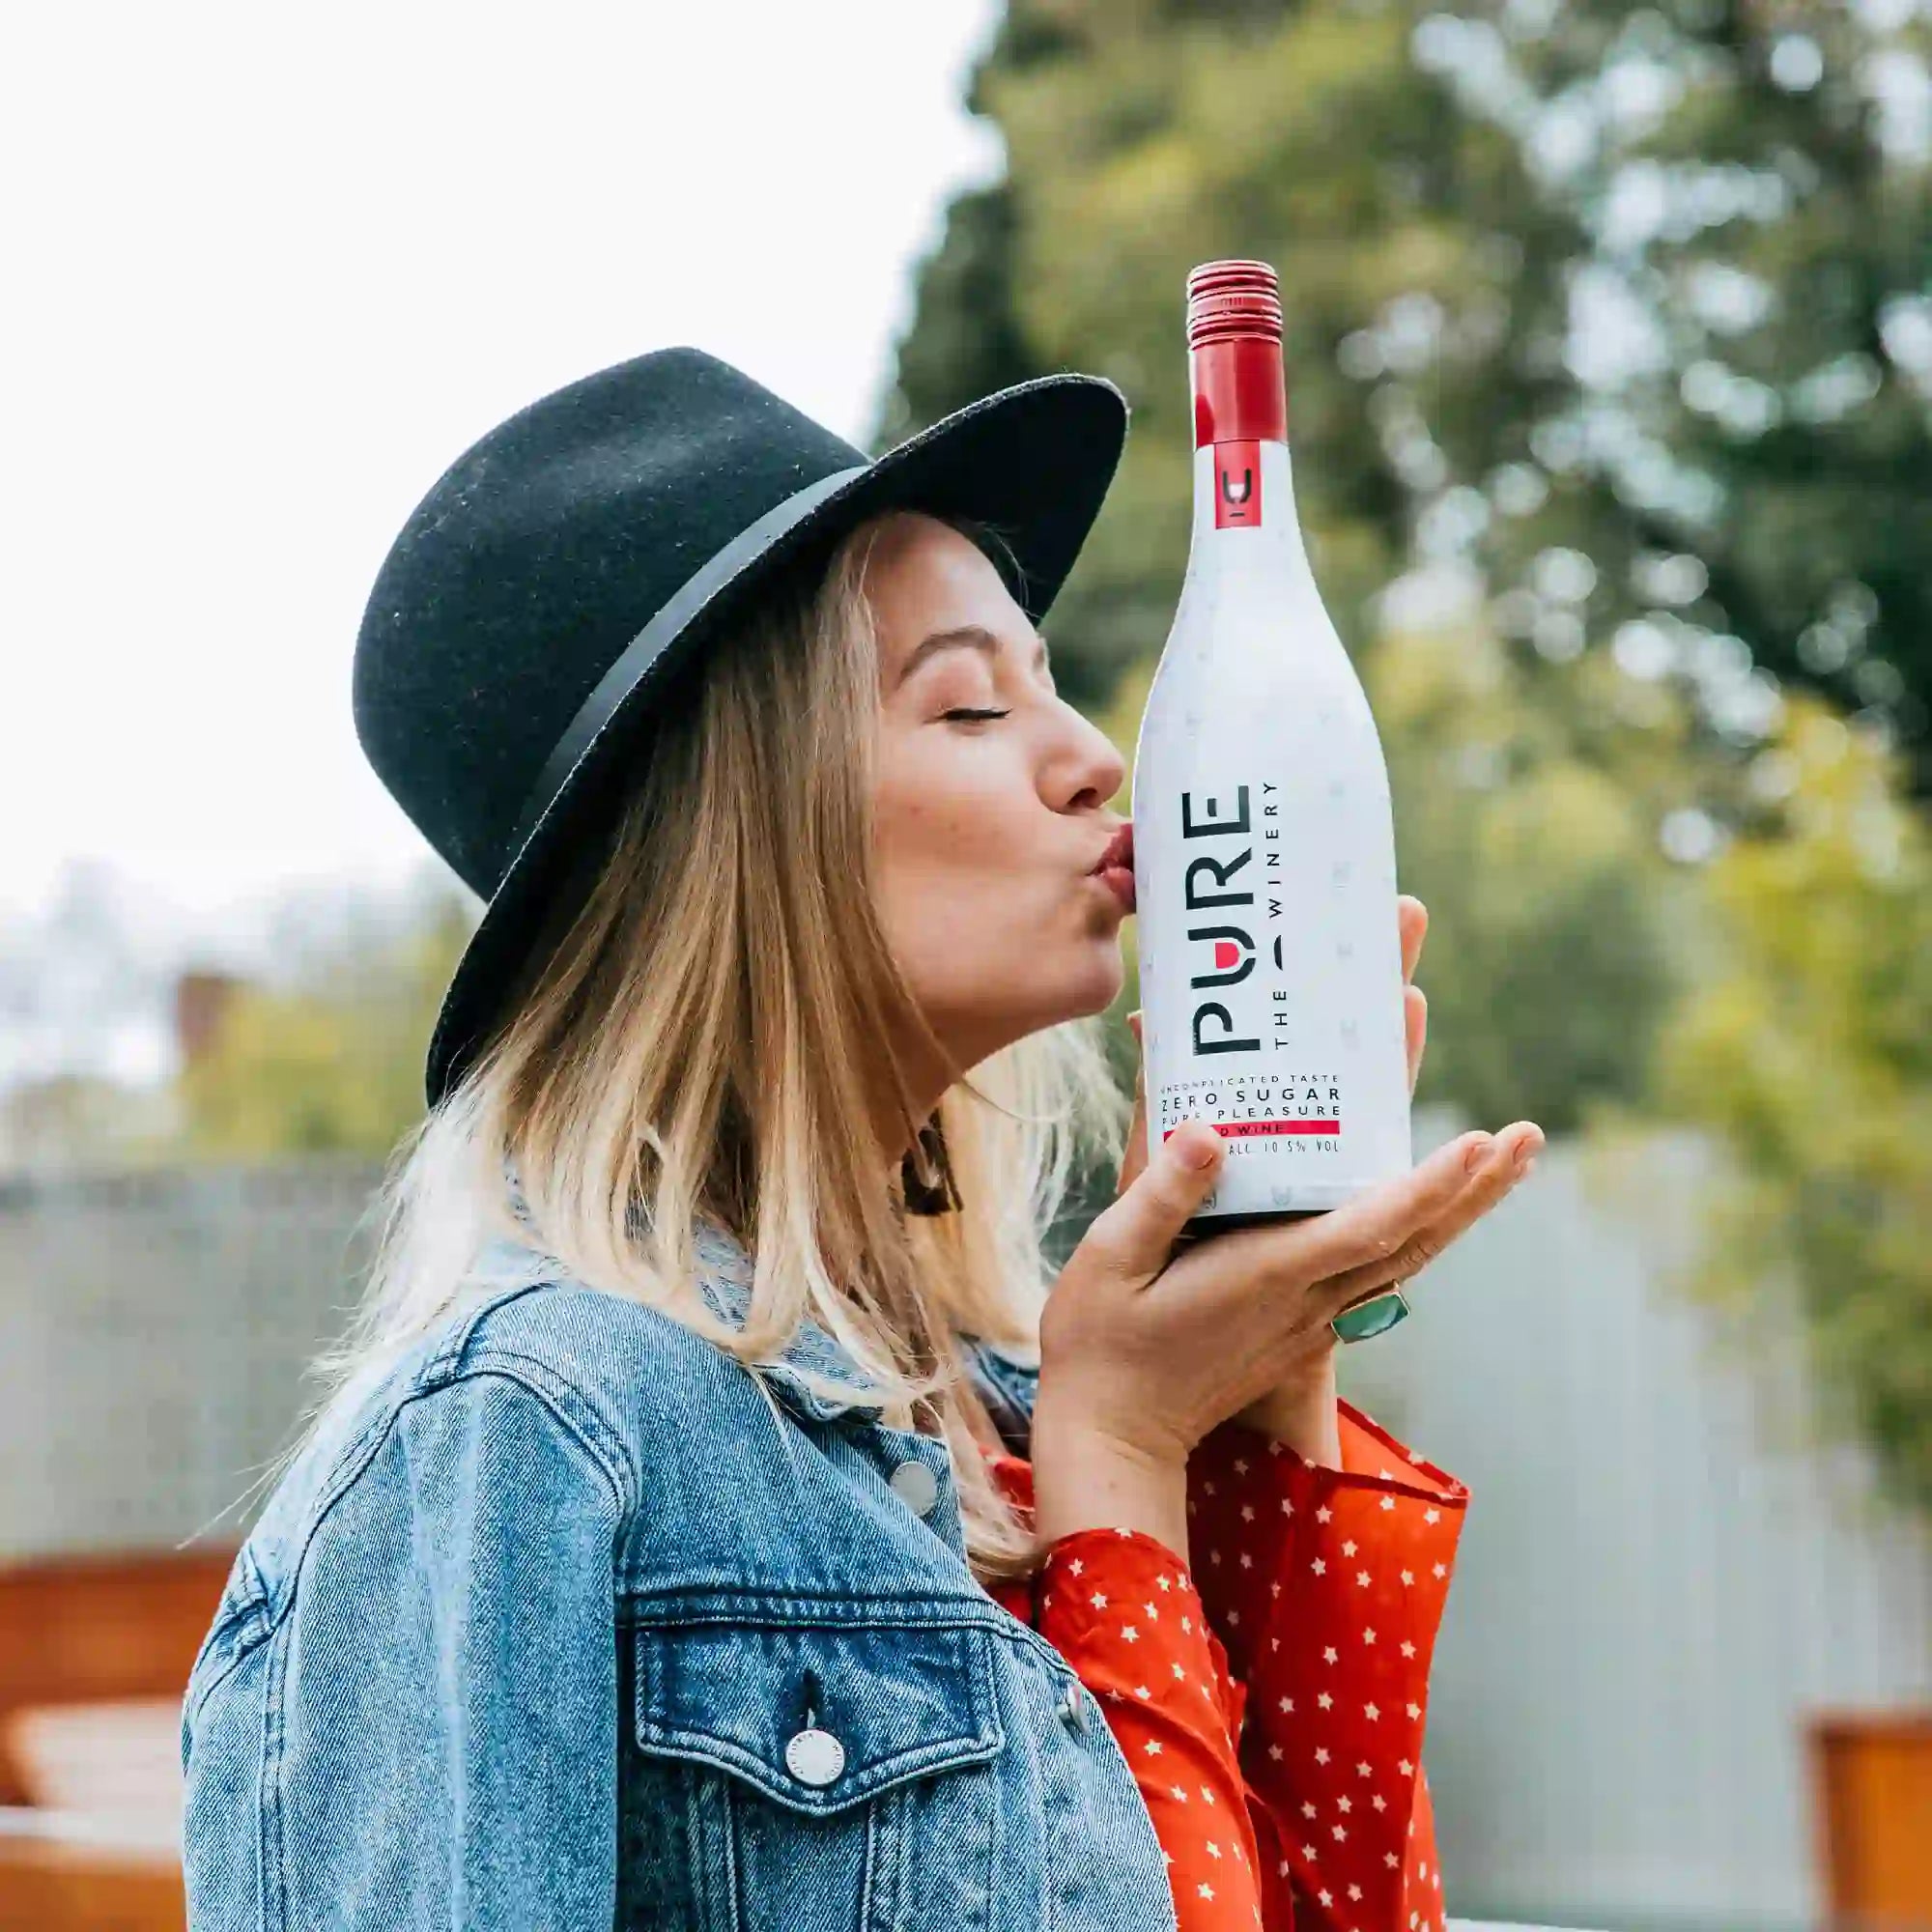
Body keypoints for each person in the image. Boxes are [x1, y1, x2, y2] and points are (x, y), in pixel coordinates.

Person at [178, 346, 1543, 1932]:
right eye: (970, 703)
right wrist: (1120, 1457)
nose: (1097, 757)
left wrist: (1267, 1368)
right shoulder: (525, 1440)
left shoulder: (1016, 1403)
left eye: (1048, 679)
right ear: (733, 833)